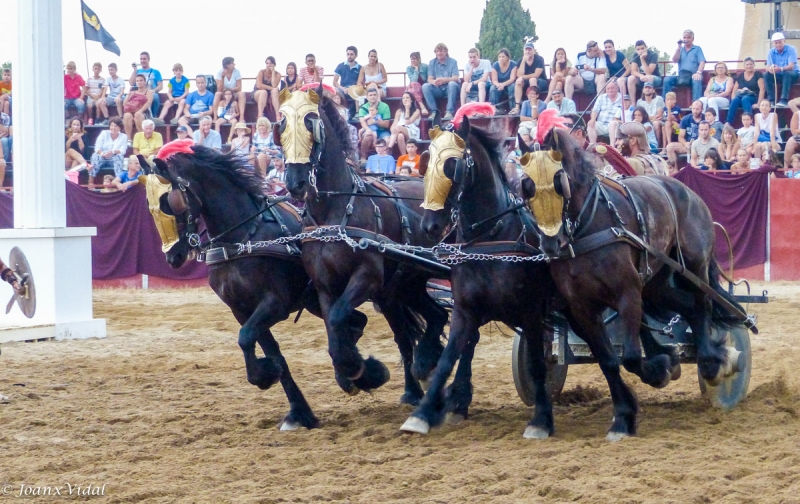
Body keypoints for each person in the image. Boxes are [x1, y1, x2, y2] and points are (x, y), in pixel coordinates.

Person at [662, 29, 706, 102]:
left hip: (693, 75)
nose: (686, 39)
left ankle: (696, 103)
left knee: (697, 79)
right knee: (667, 79)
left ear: (693, 39)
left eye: (688, 37)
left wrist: (698, 72)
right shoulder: (680, 49)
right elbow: (674, 60)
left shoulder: (697, 49)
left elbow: (702, 61)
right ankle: (666, 102)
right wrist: (678, 48)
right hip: (681, 76)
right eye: (684, 37)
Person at [422, 43, 460, 121]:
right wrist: (434, 82)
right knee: (425, 86)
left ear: (446, 52)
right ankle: (434, 112)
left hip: (450, 89)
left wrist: (444, 80)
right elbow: (429, 79)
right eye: (437, 51)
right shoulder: (432, 62)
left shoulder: (453, 62)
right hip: (438, 88)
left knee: (452, 84)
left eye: (441, 51)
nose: (439, 53)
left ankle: (449, 111)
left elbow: (456, 78)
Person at [511, 41, 547, 115]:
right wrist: (524, 61)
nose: (528, 51)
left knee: (532, 79)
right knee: (518, 81)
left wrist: (523, 77)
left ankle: (534, 105)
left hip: (541, 81)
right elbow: (519, 74)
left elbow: (536, 74)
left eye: (530, 49)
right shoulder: (521, 60)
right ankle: (517, 107)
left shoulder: (539, 59)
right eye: (526, 50)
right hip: (527, 82)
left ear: (533, 51)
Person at [765, 32, 798, 107]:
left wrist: (780, 68)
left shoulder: (791, 49)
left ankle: (784, 100)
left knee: (787, 73)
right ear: (773, 44)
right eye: (776, 43)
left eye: (780, 42)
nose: (778, 44)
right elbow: (767, 66)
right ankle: (771, 100)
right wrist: (770, 69)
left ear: (784, 41)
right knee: (766, 75)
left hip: (793, 74)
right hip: (779, 75)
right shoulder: (771, 52)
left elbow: (791, 66)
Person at [212, 57, 246, 128]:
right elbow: (219, 89)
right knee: (217, 94)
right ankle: (215, 117)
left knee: (241, 94)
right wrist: (223, 77)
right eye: (232, 63)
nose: (234, 64)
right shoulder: (219, 73)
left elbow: (239, 87)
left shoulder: (237, 72)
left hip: (234, 92)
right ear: (227, 65)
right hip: (223, 93)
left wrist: (229, 90)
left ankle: (242, 117)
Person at [728, 57, 765, 124]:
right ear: (744, 66)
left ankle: (749, 122)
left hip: (754, 96)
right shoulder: (741, 75)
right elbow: (734, 90)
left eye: (751, 64)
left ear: (754, 65)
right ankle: (728, 122)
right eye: (747, 64)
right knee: (735, 100)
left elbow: (762, 89)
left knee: (745, 99)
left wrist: (758, 104)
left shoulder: (758, 74)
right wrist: (733, 98)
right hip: (742, 95)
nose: (749, 66)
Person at [666, 100, 703, 165]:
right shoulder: (685, 119)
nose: (695, 111)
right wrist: (686, 143)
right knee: (669, 147)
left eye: (697, 109)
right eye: (693, 108)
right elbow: (680, 137)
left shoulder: (705, 119)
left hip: (701, 145)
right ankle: (674, 170)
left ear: (702, 109)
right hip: (687, 145)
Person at [359, 87, 391, 160]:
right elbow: (362, 121)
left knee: (388, 140)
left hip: (382, 131)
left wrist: (375, 122)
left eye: (374, 95)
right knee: (367, 135)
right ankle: (363, 157)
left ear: (377, 96)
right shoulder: (363, 107)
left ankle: (386, 159)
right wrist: (367, 129)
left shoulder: (385, 106)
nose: (373, 96)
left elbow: (386, 124)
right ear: (367, 97)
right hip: (369, 129)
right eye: (370, 95)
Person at [627, 40, 662, 104]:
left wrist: (642, 59)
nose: (640, 51)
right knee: (630, 78)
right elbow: (633, 71)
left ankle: (649, 102)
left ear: (646, 48)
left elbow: (649, 73)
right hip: (642, 78)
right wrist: (641, 76)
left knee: (648, 77)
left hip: (655, 78)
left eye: (642, 48)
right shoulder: (635, 55)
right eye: (638, 49)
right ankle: (633, 104)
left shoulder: (653, 55)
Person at [130, 51, 163, 118]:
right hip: (138, 92)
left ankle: (153, 116)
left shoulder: (156, 72)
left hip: (150, 91)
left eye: (144, 59)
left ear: (148, 59)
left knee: (155, 97)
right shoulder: (137, 71)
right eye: (141, 59)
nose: (142, 60)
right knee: (126, 97)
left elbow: (160, 86)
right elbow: (131, 83)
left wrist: (153, 90)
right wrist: (134, 70)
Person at [587, 80, 622, 144]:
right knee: (590, 124)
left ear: (617, 88)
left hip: (614, 125)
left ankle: (612, 147)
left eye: (612, 88)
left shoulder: (622, 98)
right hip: (601, 123)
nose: (610, 90)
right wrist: (593, 119)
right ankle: (593, 145)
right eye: (608, 88)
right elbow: (595, 110)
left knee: (613, 123)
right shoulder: (601, 97)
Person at [122, 74, 153, 143]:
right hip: (131, 110)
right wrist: (128, 95)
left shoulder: (148, 92)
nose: (139, 82)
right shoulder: (133, 92)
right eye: (137, 81)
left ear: (145, 82)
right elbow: (124, 104)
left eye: (141, 80)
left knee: (138, 115)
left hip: (144, 112)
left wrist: (140, 111)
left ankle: (142, 138)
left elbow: (148, 103)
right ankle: (129, 140)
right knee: (127, 115)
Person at [254, 56, 283, 121]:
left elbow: (274, 85)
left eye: (270, 63)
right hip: (259, 92)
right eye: (267, 63)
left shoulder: (277, 74)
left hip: (271, 94)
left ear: (274, 65)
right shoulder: (261, 72)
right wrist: (271, 88)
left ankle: (277, 115)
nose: (268, 65)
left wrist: (273, 72)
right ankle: (260, 115)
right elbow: (259, 85)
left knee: (275, 91)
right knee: (264, 92)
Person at [637, 82, 665, 147]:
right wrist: (651, 118)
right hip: (645, 122)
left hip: (659, 121)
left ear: (653, 90)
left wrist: (646, 118)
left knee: (655, 123)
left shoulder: (658, 99)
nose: (647, 89)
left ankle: (657, 145)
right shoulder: (639, 102)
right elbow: (639, 116)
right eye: (646, 88)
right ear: (643, 90)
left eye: (649, 88)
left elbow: (659, 115)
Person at [406, 52, 430, 116]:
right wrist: (416, 70)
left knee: (411, 90)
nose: (412, 61)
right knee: (413, 85)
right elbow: (413, 80)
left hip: (423, 88)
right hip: (414, 88)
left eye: (414, 59)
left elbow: (429, 78)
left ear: (419, 59)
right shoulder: (409, 68)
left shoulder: (425, 66)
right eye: (411, 59)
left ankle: (409, 112)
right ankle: (422, 107)